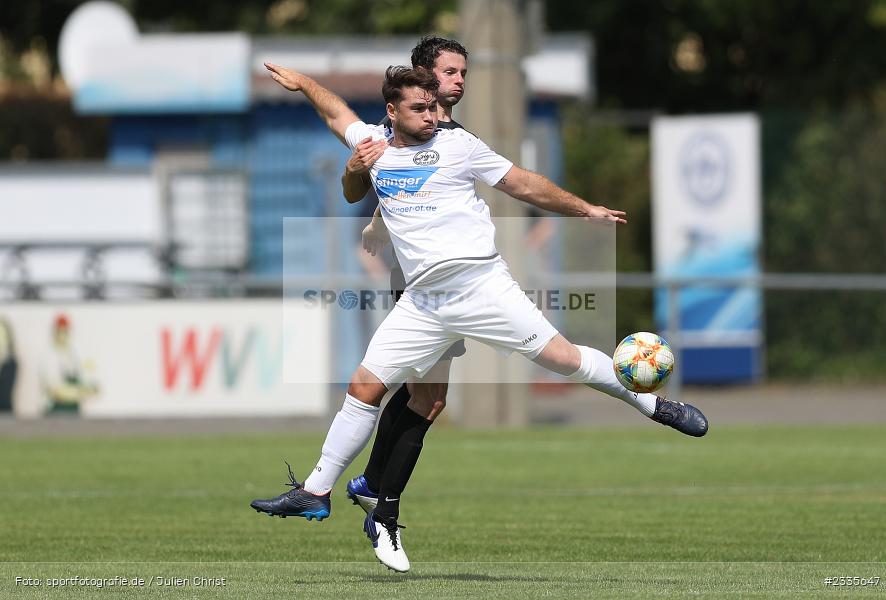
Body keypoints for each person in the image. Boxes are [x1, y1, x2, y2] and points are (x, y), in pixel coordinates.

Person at [251, 63, 708, 573]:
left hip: (480, 285)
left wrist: (583, 210)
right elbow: (335, 112)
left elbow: (523, 184)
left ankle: (651, 404)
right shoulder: (372, 144)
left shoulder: (458, 145)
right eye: (419, 108)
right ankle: (317, 491)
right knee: (364, 388)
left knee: (565, 359)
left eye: (432, 107)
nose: (430, 117)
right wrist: (304, 84)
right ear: (391, 111)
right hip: (423, 302)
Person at [340, 36, 469, 531]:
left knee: (426, 398)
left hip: (448, 278)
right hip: (423, 281)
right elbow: (386, 173)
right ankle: (376, 497)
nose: (458, 81)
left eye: (462, 73)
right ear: (422, 73)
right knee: (425, 397)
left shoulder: (447, 132)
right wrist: (374, 217)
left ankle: (372, 485)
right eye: (450, 71)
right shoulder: (404, 127)